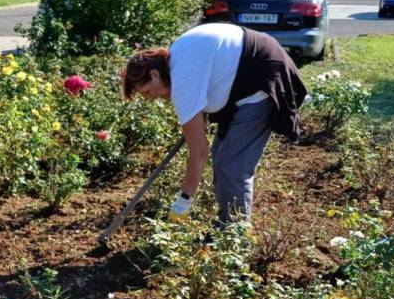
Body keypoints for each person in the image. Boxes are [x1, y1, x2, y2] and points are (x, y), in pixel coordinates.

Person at [120, 22, 308, 224]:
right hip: (246, 77)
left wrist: (182, 204)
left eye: (148, 91)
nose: (151, 98)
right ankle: (227, 223)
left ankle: (234, 233)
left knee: (231, 166)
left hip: (262, 77)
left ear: (155, 75)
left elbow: (198, 153)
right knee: (222, 156)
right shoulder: (179, 62)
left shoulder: (183, 79)